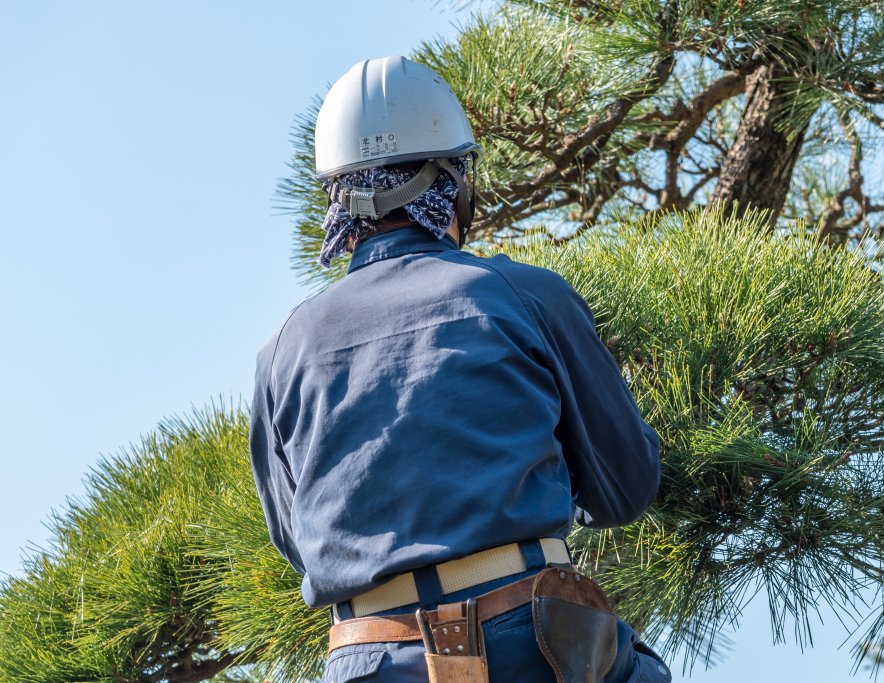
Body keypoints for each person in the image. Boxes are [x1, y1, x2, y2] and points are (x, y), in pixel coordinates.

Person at [249, 55, 670, 683]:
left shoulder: (281, 351)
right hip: (528, 639)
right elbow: (624, 488)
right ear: (452, 182)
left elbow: (298, 543)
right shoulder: (520, 294)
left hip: (366, 657)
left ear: (340, 201)